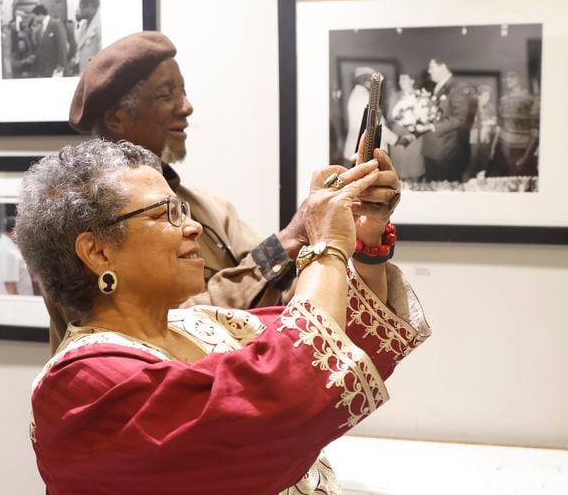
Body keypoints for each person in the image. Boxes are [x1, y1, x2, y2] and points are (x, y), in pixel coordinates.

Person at [16, 139, 430, 494]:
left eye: (184, 209)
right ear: (98, 252)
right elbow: (286, 388)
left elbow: (346, 339)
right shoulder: (81, 385)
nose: (192, 226)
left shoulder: (199, 324)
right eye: (166, 214)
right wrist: (327, 248)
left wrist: (364, 234)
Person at [63, 31, 402, 350]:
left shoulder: (209, 208)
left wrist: (362, 231)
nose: (186, 106)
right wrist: (291, 237)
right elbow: (162, 325)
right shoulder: (77, 223)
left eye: (183, 91)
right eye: (166, 94)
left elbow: (288, 303)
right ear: (117, 118)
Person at [414, 58, 476, 182]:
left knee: (444, 191)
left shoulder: (458, 87)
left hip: (445, 151)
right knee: (432, 188)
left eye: (432, 68)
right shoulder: (436, 87)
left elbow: (459, 119)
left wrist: (432, 127)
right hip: (431, 148)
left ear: (443, 66)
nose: (429, 71)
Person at [489, 70, 539, 177]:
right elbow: (500, 126)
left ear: (520, 78)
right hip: (502, 148)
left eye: (512, 76)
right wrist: (493, 148)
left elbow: (535, 132)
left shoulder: (531, 100)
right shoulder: (503, 100)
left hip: (520, 150)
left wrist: (525, 158)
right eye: (507, 77)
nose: (508, 80)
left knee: (520, 183)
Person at [0, 216, 33, 296]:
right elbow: (10, 284)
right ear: (14, 231)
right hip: (20, 303)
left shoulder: (2, 243)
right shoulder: (9, 251)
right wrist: (16, 306)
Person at [29, 4, 67, 78]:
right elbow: (41, 47)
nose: (34, 20)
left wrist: (61, 64)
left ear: (40, 14)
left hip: (55, 67)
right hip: (44, 68)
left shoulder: (55, 23)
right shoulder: (41, 28)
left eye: (34, 17)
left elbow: (62, 45)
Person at [73, 0, 101, 74]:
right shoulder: (84, 24)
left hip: (96, 72)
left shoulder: (100, 24)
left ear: (90, 6)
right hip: (84, 71)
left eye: (82, 7)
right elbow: (79, 46)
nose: (80, 10)